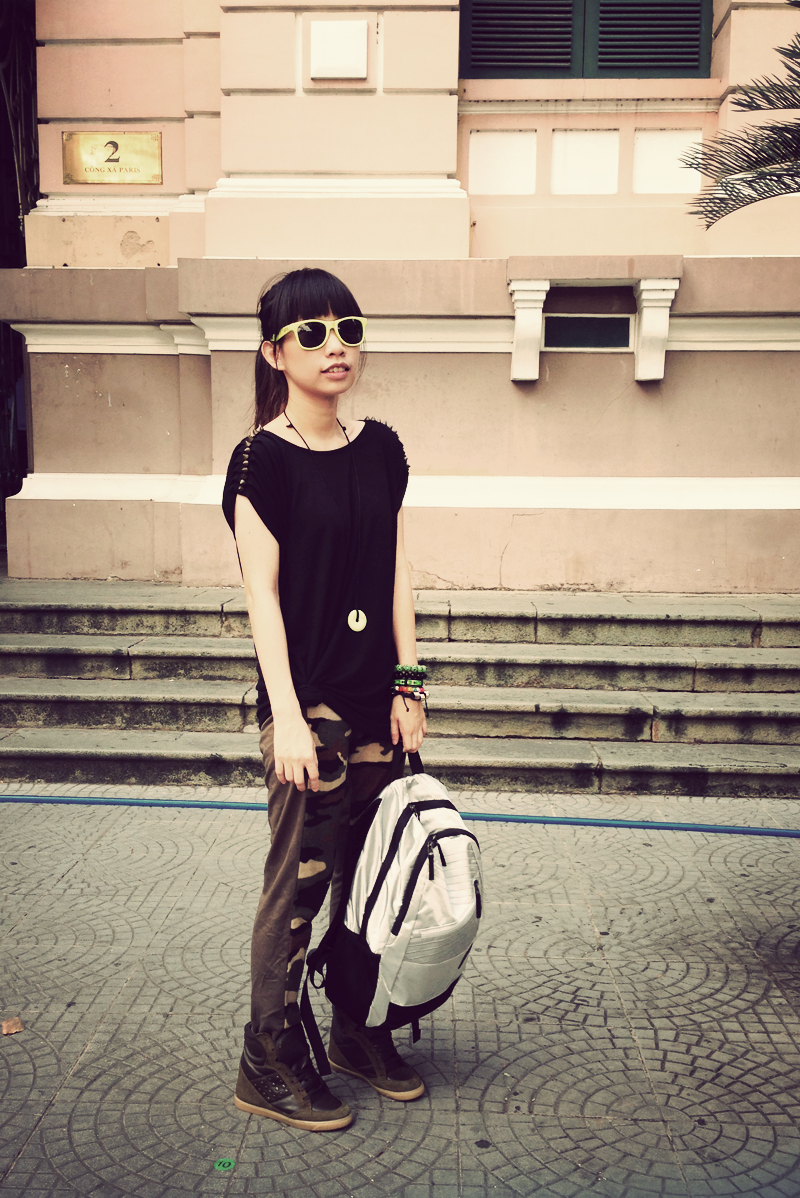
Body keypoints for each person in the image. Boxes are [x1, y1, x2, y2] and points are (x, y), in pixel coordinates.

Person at [221, 268, 428, 1132]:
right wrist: (289, 719)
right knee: (299, 890)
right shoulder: (259, 460)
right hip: (312, 710)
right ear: (276, 353)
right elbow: (260, 596)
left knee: (374, 883)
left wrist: (410, 684)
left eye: (348, 328)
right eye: (312, 332)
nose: (335, 345)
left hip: (378, 704)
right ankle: (266, 1058)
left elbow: (398, 571)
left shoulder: (382, 449)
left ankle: (354, 1030)